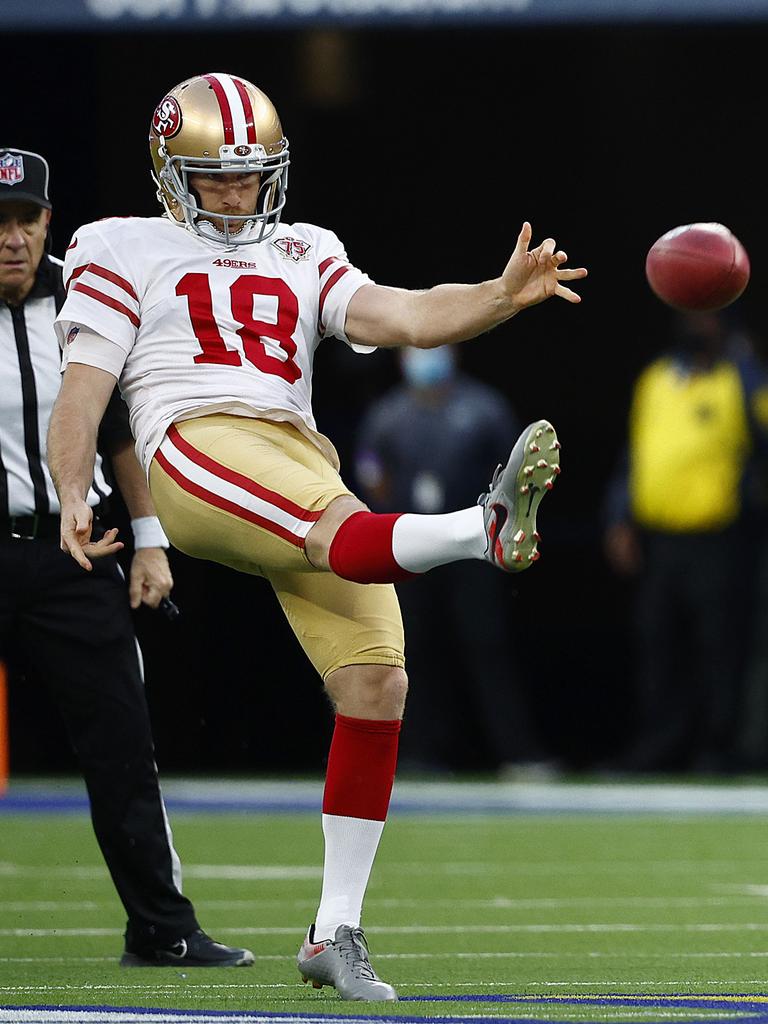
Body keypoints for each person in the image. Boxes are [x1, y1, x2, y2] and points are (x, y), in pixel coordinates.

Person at [45, 73, 586, 1000]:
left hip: (300, 457)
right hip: (194, 442)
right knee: (342, 530)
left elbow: (405, 313)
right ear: (169, 172)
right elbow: (85, 390)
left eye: (251, 174)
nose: (235, 192)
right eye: (214, 176)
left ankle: (335, 929)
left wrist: (497, 298)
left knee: (376, 681)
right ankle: (478, 530)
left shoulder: (305, 247)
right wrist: (72, 489)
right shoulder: (120, 244)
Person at [0, 147, 253, 968]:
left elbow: (120, 430)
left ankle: (162, 928)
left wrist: (150, 541)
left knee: (120, 744)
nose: (11, 239)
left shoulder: (85, 288)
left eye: (24, 220)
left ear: (47, 221)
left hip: (74, 551)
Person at [355, 346, 559, 776]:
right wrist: (382, 496)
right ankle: (421, 755)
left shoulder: (483, 408)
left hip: (473, 549)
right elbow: (368, 465)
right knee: (413, 652)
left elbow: (518, 475)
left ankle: (516, 754)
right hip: (413, 548)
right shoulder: (388, 414)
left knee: (487, 647)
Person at [603, 309, 768, 773]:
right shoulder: (656, 378)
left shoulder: (741, 378)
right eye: (692, 312)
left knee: (719, 647)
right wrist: (620, 518)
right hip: (659, 542)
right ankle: (656, 748)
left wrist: (746, 361)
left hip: (719, 540)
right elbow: (635, 454)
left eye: (710, 313)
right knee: (657, 644)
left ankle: (719, 749)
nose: (700, 323)